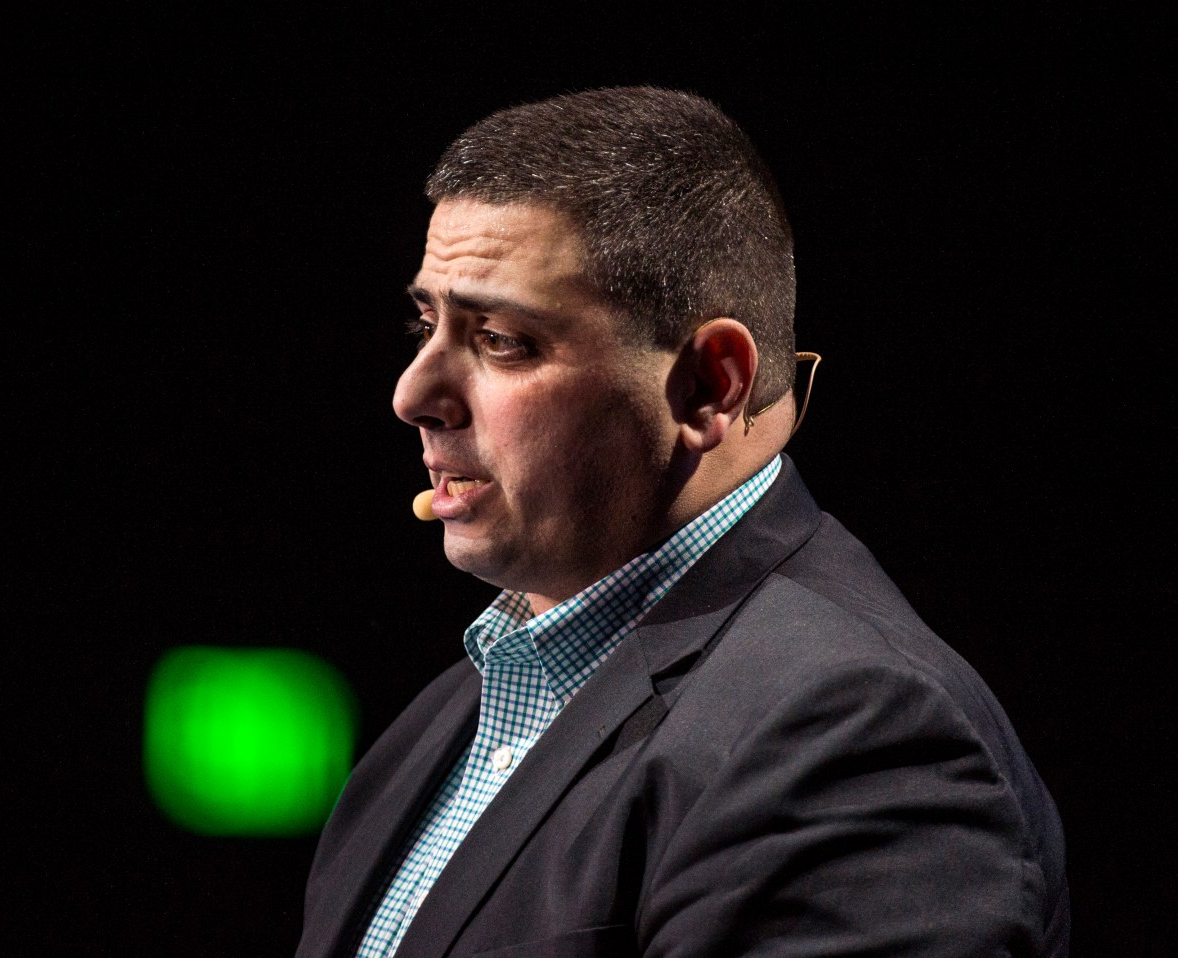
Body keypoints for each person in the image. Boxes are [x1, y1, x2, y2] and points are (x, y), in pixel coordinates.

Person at [296, 87, 1068, 957]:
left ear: (708, 385)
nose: (412, 396)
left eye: (502, 339)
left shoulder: (855, 734)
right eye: (426, 322)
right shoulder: (443, 720)